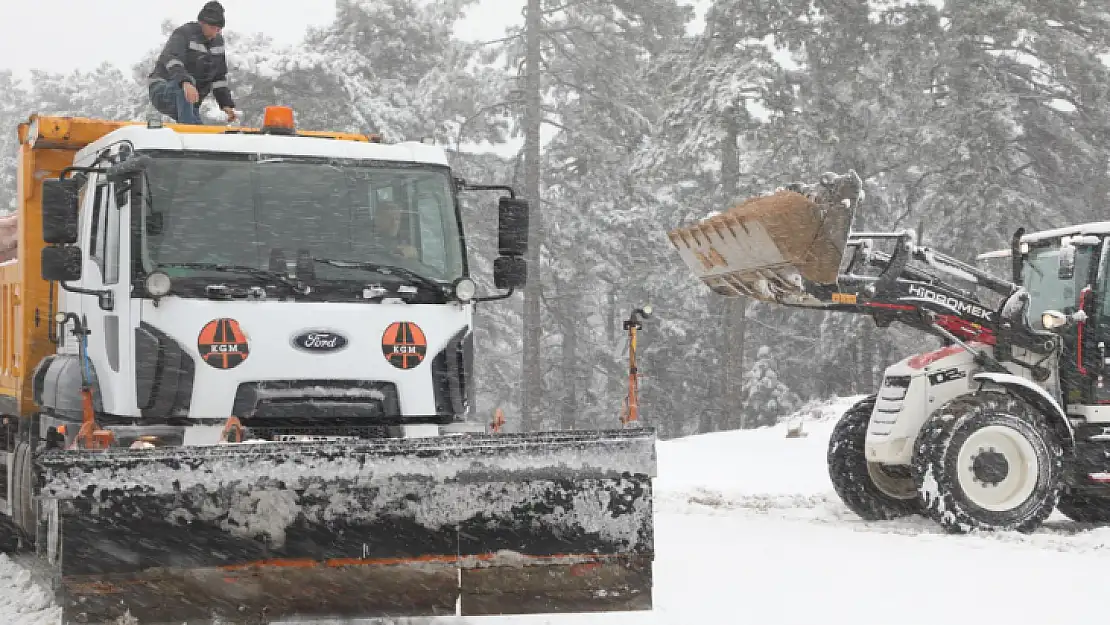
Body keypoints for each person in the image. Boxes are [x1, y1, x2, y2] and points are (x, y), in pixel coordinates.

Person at [147, 2, 238, 125]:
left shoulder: (218, 42)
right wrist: (185, 82)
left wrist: (226, 104)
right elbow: (172, 59)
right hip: (163, 89)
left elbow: (218, 77)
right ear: (202, 23)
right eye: (212, 28)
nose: (214, 33)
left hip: (190, 99)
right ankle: (187, 126)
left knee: (197, 129)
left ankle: (192, 134)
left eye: (218, 30)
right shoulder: (184, 34)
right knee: (187, 88)